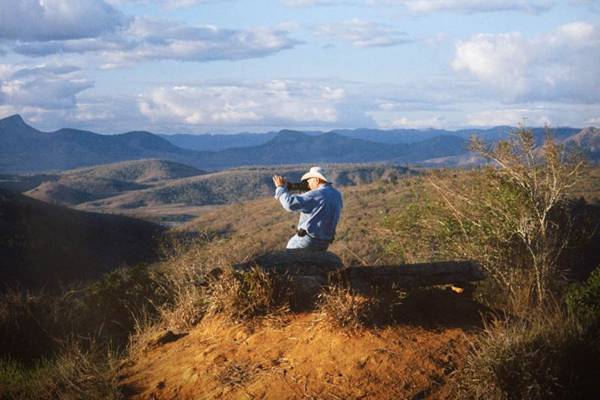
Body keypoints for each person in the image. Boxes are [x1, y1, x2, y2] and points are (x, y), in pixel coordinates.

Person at [272, 166, 343, 251]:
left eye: (309, 180)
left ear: (317, 180)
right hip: (324, 243)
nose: (308, 183)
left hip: (307, 241)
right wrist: (292, 186)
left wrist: (280, 188)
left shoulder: (317, 194)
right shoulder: (337, 194)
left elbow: (289, 204)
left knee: (288, 258)